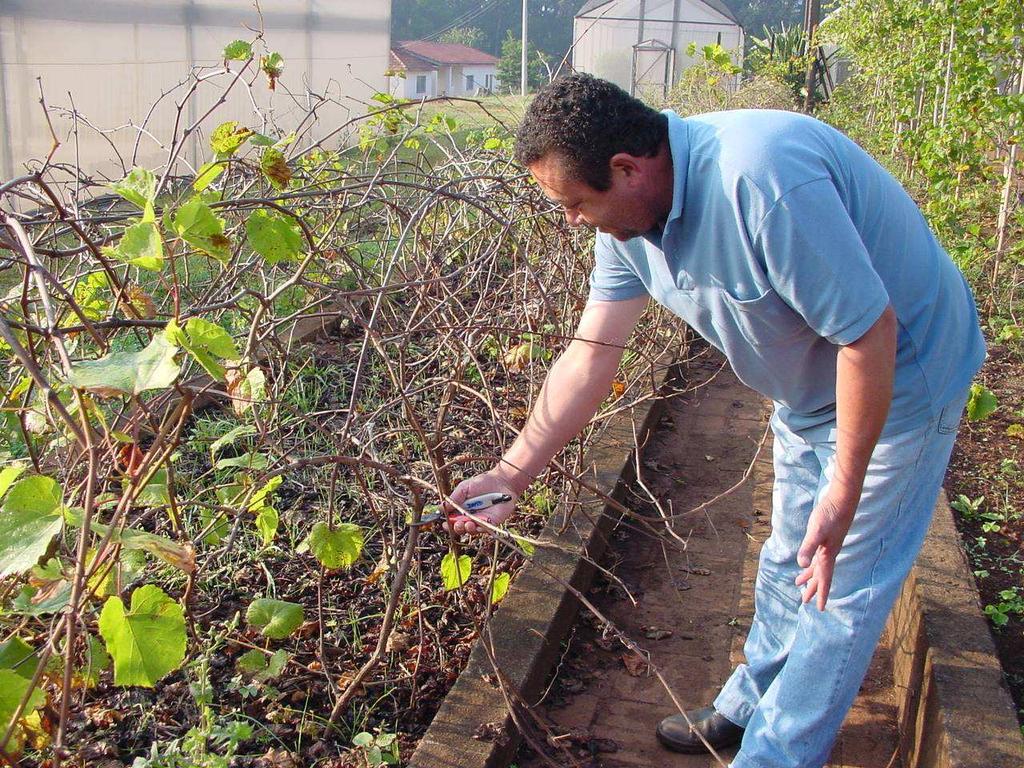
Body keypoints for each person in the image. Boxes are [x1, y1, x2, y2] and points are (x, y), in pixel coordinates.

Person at [444, 73, 985, 768]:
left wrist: (843, 492)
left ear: (626, 169)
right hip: (812, 391)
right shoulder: (628, 224)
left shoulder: (760, 182)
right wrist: (512, 473)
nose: (572, 221)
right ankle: (750, 702)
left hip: (904, 376)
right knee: (787, 556)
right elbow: (592, 352)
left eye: (575, 204)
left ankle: (775, 757)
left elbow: (867, 335)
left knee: (840, 589)